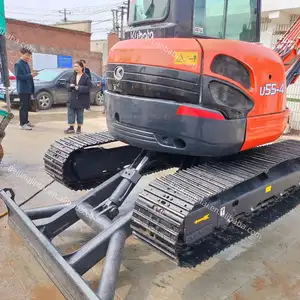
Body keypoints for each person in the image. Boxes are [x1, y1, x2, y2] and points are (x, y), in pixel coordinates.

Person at [64, 61, 92, 134]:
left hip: (80, 98)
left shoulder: (86, 77)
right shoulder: (72, 75)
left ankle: (79, 128)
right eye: (74, 66)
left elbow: (88, 87)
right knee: (70, 113)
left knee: (80, 114)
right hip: (72, 97)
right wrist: (69, 86)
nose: (75, 68)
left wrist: (78, 87)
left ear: (81, 67)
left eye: (77, 66)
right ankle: (71, 127)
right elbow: (66, 83)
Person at [14, 47, 37, 130]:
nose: (28, 57)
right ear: (22, 54)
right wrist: (31, 75)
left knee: (27, 106)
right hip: (22, 89)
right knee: (23, 107)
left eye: (29, 56)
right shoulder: (18, 64)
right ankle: (22, 124)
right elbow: (19, 77)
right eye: (27, 55)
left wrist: (32, 74)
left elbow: (28, 75)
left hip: (28, 89)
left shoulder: (26, 63)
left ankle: (26, 121)